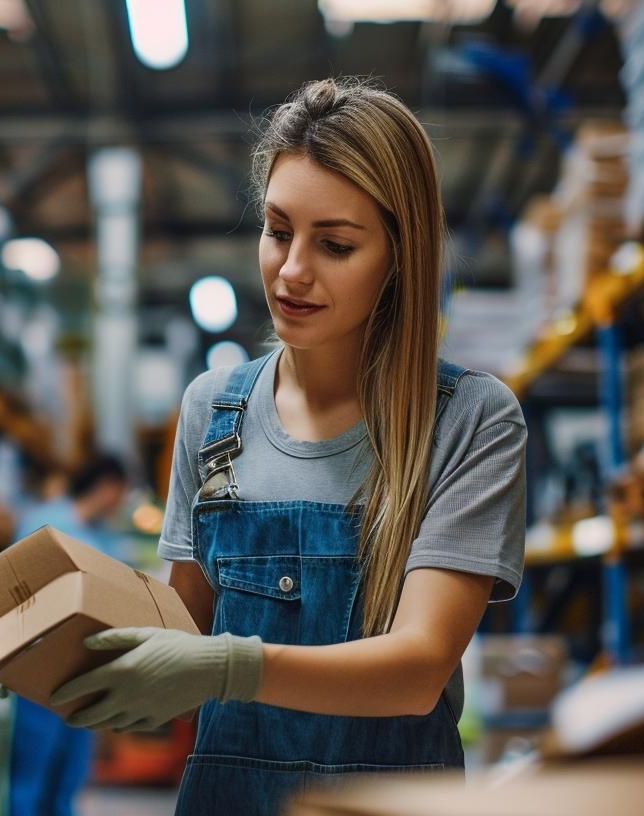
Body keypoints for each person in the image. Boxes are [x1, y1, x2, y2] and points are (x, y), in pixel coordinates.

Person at [46, 78, 527, 814]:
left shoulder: (470, 422)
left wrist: (230, 666)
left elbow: (419, 667)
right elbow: (184, 635)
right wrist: (66, 653)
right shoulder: (213, 413)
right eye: (277, 231)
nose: (292, 270)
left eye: (335, 244)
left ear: (400, 255)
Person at [6, 453, 129, 816]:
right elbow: (12, 589)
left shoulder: (105, 539)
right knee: (30, 778)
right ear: (109, 488)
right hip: (39, 671)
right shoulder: (45, 523)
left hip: (85, 675)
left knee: (68, 781)